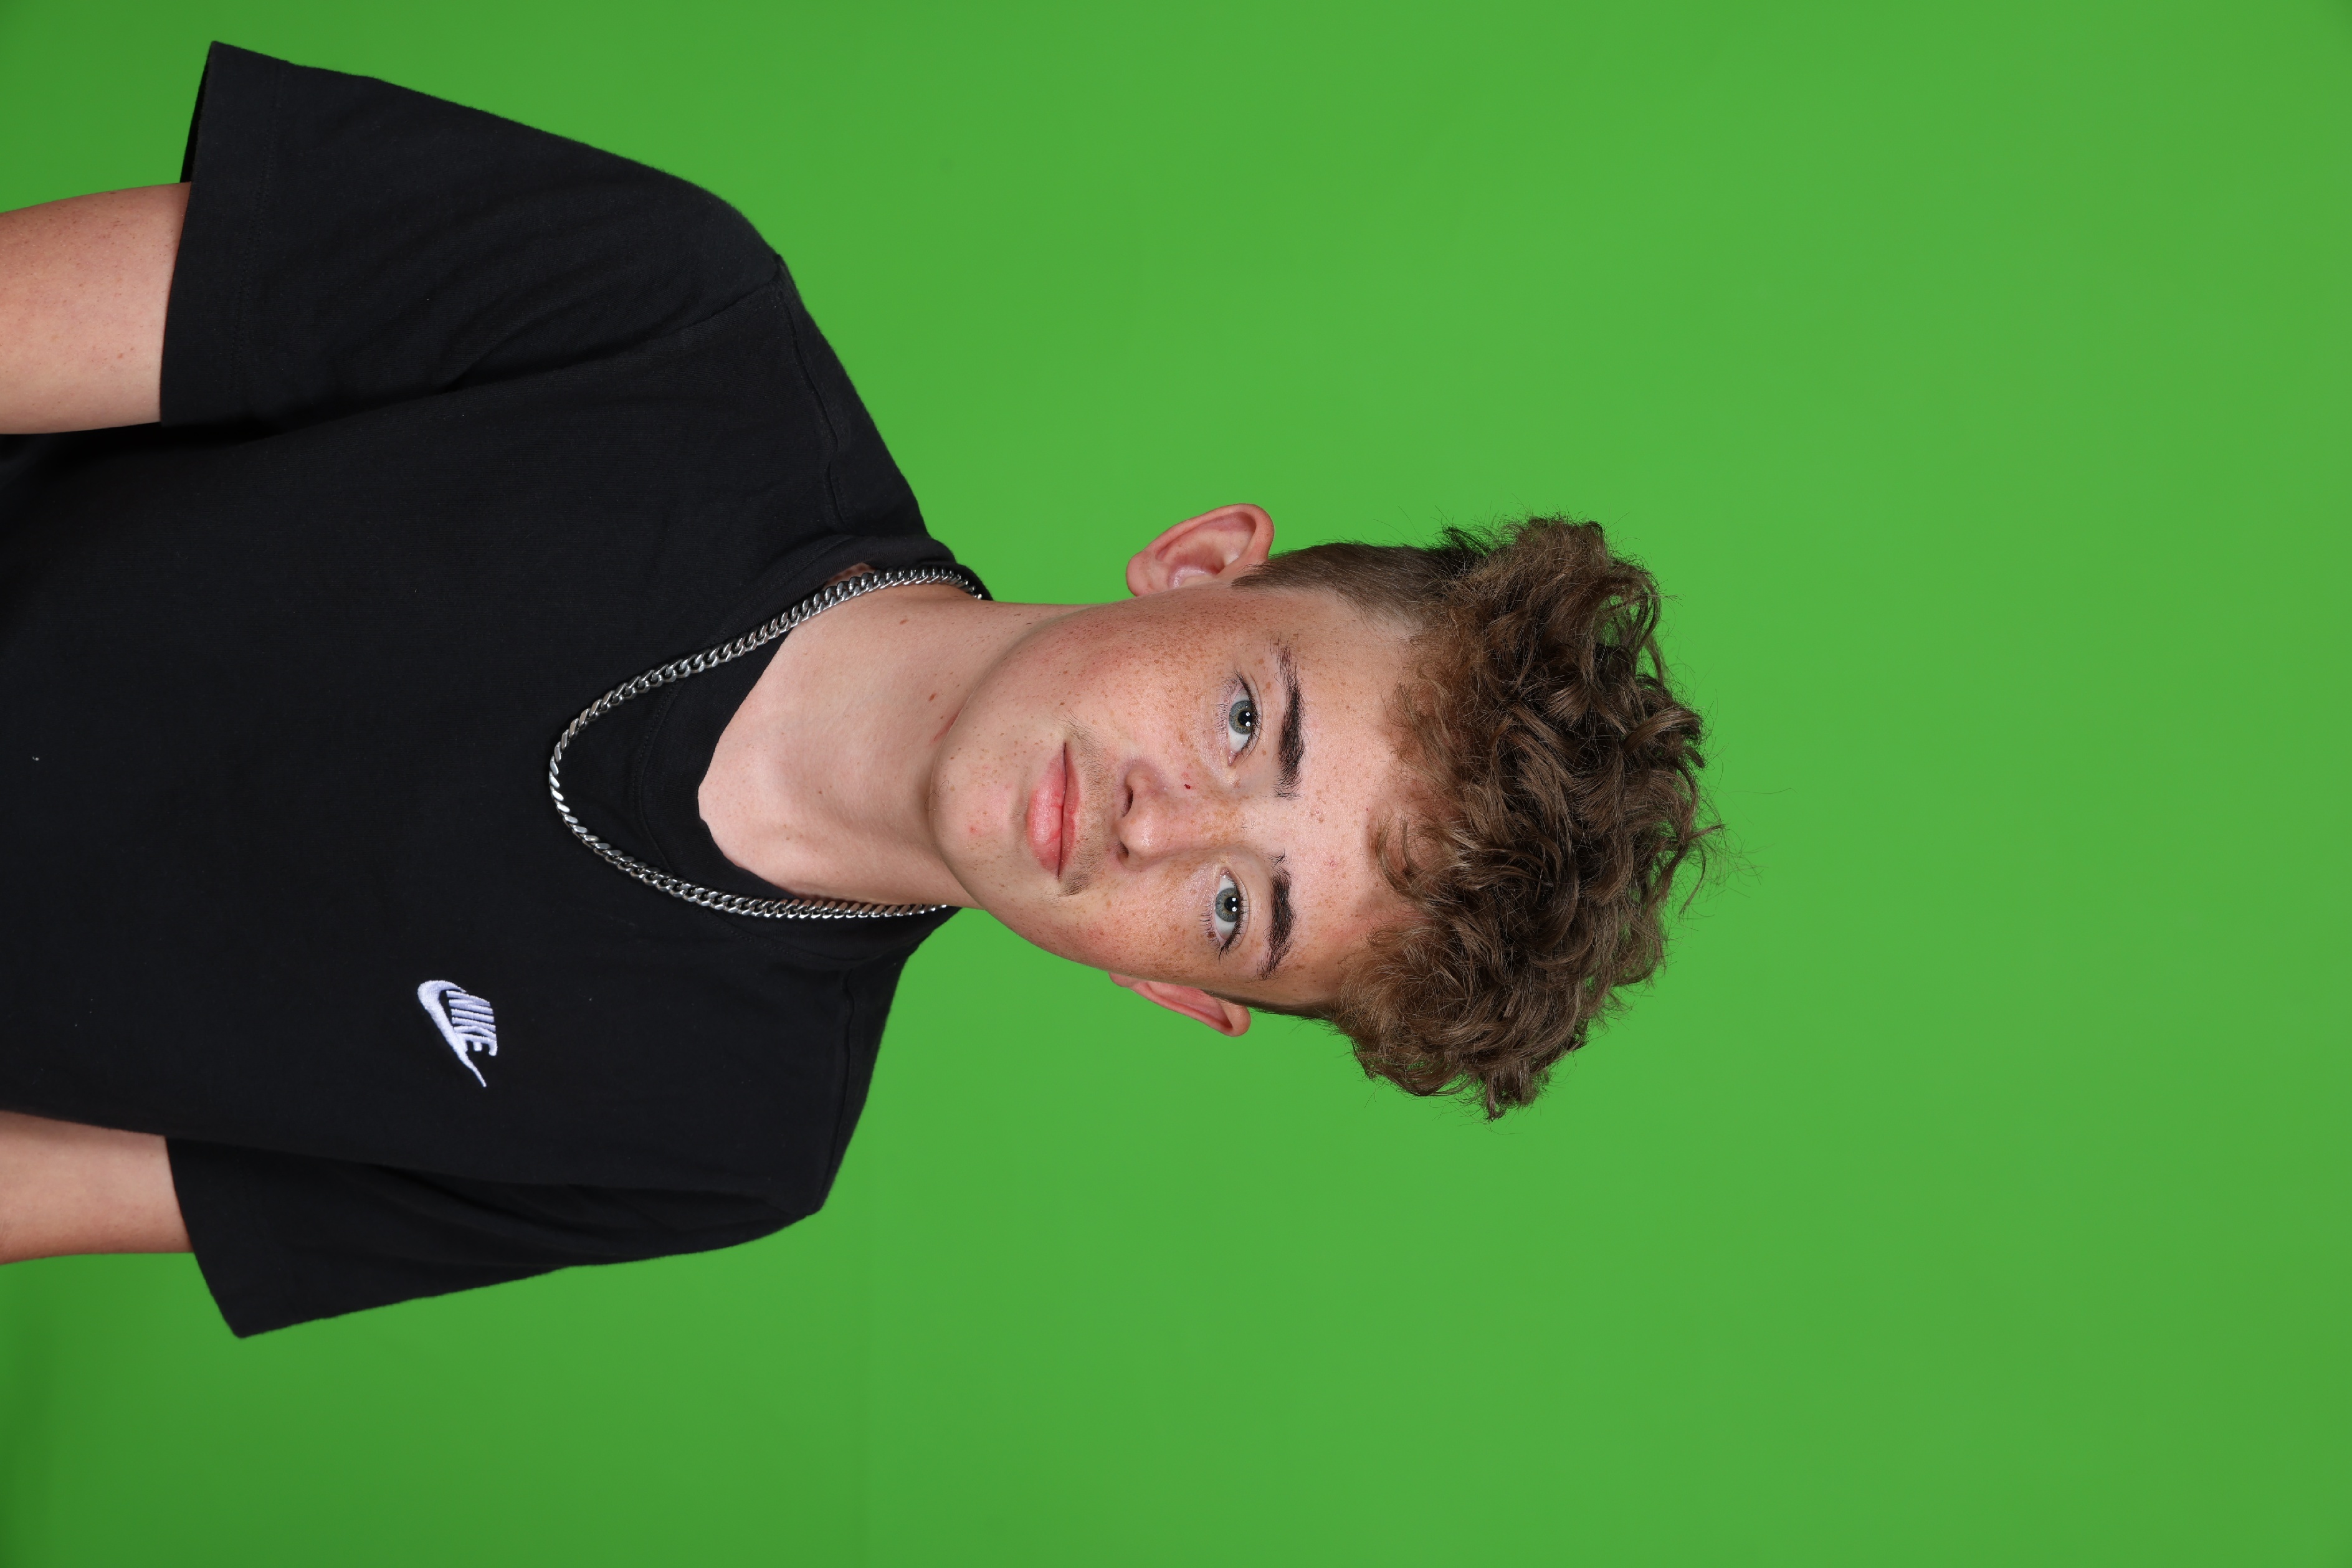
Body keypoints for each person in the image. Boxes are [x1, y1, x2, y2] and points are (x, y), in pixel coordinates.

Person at [0, 45, 1710, 1335]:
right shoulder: (670, 315)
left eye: (1233, 908)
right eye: (1249, 723)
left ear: (1174, 993)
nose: (1159, 823)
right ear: (1202, 563)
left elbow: (66, 1182)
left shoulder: (729, 1142)